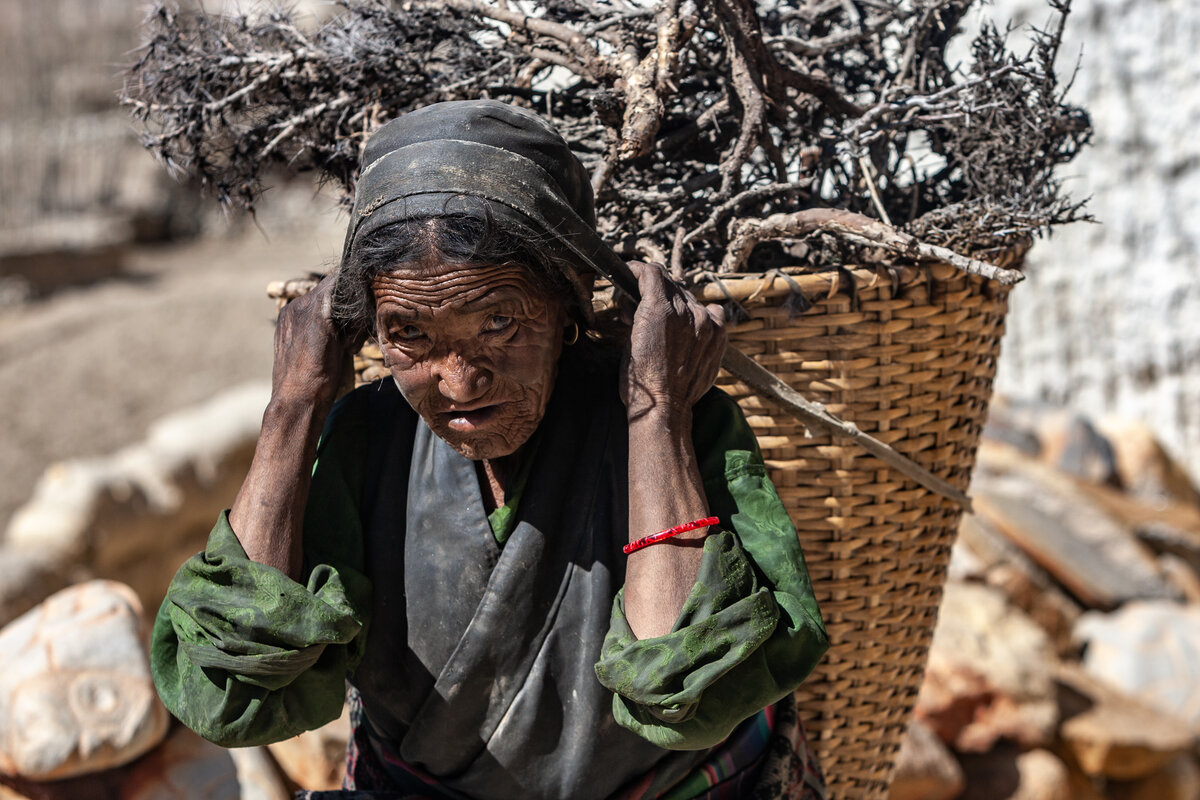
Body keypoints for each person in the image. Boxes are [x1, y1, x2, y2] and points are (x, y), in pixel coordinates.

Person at [151, 100, 829, 800]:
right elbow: (229, 697)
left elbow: (684, 695)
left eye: (500, 321)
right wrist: (294, 404)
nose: (461, 382)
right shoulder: (365, 437)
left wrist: (656, 415)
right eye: (409, 333)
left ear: (567, 300)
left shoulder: (679, 427)